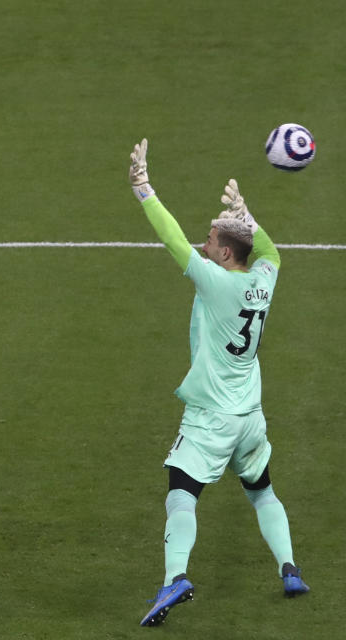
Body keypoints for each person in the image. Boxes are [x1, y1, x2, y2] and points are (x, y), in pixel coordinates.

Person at [128, 139, 310, 627]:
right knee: (262, 491)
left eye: (210, 239)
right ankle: (290, 570)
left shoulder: (216, 280)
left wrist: (144, 190)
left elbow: (170, 241)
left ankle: (175, 578)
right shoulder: (262, 280)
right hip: (250, 415)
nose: (202, 243)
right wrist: (250, 217)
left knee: (180, 495)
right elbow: (271, 252)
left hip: (211, 418)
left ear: (225, 253)